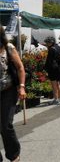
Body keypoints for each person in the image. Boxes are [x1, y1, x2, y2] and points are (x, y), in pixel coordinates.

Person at [0, 25, 26, 162]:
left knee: (5, 125)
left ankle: (14, 155)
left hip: (8, 91)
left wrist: (21, 87)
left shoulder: (8, 48)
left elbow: (20, 68)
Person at [44, 36, 60, 105]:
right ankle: (58, 98)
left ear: (51, 42)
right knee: (58, 83)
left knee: (54, 84)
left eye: (47, 42)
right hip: (59, 68)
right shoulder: (59, 47)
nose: (46, 44)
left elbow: (49, 60)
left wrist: (45, 68)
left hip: (53, 69)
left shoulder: (51, 49)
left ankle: (55, 99)